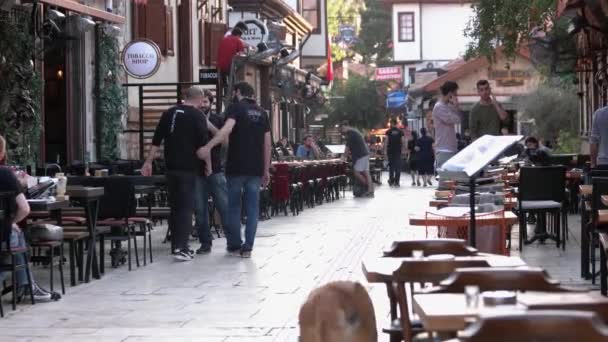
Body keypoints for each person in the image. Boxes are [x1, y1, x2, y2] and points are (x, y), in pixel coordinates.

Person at [197, 82, 271, 258]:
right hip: (255, 169)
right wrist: (266, 169)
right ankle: (248, 247)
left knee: (234, 207)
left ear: (238, 92)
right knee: (253, 208)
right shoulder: (262, 113)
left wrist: (208, 146)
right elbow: (267, 144)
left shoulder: (235, 108)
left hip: (236, 167)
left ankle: (234, 244)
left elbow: (225, 131)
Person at [142, 87, 212, 262]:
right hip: (188, 169)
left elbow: (157, 140)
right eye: (203, 101)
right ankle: (182, 247)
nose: (203, 104)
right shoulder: (198, 117)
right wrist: (208, 166)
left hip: (170, 168)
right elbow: (203, 148)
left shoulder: (169, 113)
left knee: (175, 207)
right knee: (186, 208)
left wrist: (148, 162)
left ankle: (176, 245)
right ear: (199, 98)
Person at [0, 135, 59, 302]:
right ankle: (28, 288)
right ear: (2, 153)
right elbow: (25, 208)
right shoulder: (5, 174)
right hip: (3, 236)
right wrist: (10, 223)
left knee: (15, 236)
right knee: (15, 237)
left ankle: (27, 287)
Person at [193, 90, 229, 255]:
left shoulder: (218, 119)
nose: (203, 105)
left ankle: (232, 240)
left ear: (211, 104)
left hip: (215, 169)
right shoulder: (191, 118)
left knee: (223, 206)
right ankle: (205, 243)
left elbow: (226, 141)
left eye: (206, 102)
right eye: (201, 101)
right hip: (196, 171)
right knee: (200, 210)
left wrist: (209, 126)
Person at [432, 81, 461, 171]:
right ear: (450, 94)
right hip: (444, 149)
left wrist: (455, 107)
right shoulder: (439, 107)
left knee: (451, 181)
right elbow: (455, 119)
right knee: (445, 180)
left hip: (451, 148)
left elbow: (458, 118)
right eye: (455, 93)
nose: (456, 96)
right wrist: (456, 107)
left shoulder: (447, 106)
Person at [340, 121, 373, 197]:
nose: (342, 130)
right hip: (364, 154)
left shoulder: (350, 134)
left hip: (360, 155)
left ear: (346, 126)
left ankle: (368, 186)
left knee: (356, 172)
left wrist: (343, 157)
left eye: (342, 128)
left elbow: (347, 148)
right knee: (366, 173)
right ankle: (370, 190)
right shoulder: (355, 132)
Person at [217, 22, 249, 97]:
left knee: (224, 84)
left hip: (220, 66)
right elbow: (242, 54)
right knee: (233, 82)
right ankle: (233, 96)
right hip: (230, 65)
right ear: (239, 35)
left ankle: (224, 96)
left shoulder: (224, 39)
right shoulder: (238, 40)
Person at [384, 118, 405, 187]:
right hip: (398, 151)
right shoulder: (400, 132)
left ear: (392, 123)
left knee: (391, 167)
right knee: (398, 167)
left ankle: (391, 180)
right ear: (396, 124)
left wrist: (385, 151)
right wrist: (403, 150)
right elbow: (403, 141)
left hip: (390, 151)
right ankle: (397, 181)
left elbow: (386, 141)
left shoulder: (388, 131)